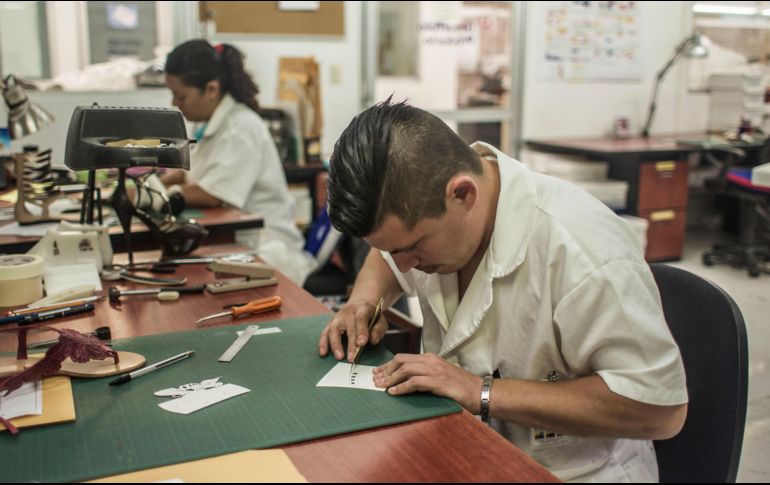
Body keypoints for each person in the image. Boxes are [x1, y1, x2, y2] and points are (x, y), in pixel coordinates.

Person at [318, 99, 688, 482]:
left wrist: (480, 391)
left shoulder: (582, 250)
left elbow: (660, 410)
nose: (405, 264)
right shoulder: (433, 218)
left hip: (573, 473)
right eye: (395, 249)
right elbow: (385, 259)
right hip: (470, 452)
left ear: (462, 194)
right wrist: (363, 301)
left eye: (412, 248)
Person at [163, 39, 314, 284]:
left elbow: (214, 193)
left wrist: (163, 192)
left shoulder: (240, 128)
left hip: (266, 248)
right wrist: (168, 178)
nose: (174, 104)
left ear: (211, 89)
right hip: (233, 240)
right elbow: (195, 170)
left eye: (180, 96)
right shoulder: (207, 122)